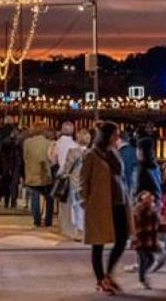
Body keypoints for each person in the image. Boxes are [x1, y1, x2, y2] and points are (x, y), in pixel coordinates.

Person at [80, 121, 130, 295]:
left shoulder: (114, 153)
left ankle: (108, 274)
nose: (117, 137)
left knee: (122, 239)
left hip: (119, 202)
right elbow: (83, 181)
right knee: (98, 243)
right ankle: (101, 279)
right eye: (115, 134)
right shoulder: (91, 155)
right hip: (100, 205)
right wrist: (85, 202)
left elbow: (120, 176)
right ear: (107, 136)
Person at [61, 129, 90, 241]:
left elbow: (67, 167)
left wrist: (63, 175)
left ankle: (79, 231)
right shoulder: (92, 153)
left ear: (77, 139)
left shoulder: (72, 152)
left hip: (75, 183)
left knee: (77, 207)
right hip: (88, 184)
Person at [23, 128, 54, 228]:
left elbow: (25, 156)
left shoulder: (27, 143)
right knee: (49, 198)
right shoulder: (49, 143)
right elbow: (52, 159)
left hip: (32, 173)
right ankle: (48, 220)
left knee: (34, 197)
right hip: (45, 174)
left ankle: (37, 220)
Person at [132, 190, 161, 290]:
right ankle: (142, 279)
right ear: (141, 199)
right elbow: (138, 226)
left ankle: (143, 274)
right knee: (144, 259)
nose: (150, 199)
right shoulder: (140, 210)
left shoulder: (152, 211)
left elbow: (156, 226)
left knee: (150, 259)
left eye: (150, 197)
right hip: (140, 240)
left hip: (148, 240)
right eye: (146, 197)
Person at [0, 127, 23, 209]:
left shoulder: (6, 142)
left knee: (8, 183)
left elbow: (0, 155)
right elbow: (21, 155)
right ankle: (12, 201)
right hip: (14, 165)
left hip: (8, 165)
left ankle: (8, 201)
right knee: (13, 184)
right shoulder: (18, 143)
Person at [117, 131, 137, 195]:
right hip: (135, 188)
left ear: (119, 140)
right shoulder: (135, 151)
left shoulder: (118, 153)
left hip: (123, 189)